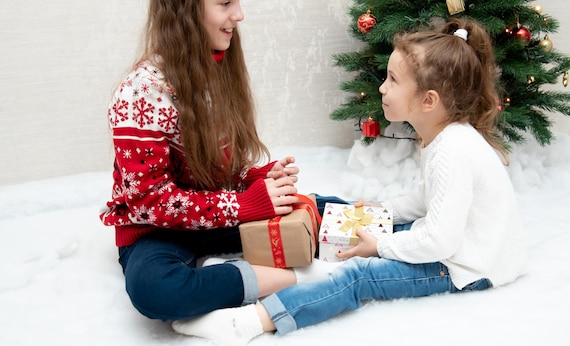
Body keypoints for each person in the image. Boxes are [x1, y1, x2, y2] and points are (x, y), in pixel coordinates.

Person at [171, 18, 527, 344]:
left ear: (428, 100)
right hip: (457, 246)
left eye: (394, 80)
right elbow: (425, 200)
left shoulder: (453, 149)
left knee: (361, 275)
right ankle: (260, 270)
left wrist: (381, 247)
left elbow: (439, 242)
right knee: (361, 225)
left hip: (466, 267)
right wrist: (381, 211)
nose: (383, 88)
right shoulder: (442, 136)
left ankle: (249, 323)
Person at [102, 0, 327, 323]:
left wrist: (256, 180)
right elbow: (149, 203)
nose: (238, 14)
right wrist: (245, 205)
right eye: (225, 3)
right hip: (155, 233)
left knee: (318, 206)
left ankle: (406, 231)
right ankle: (287, 280)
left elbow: (213, 169)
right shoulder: (140, 93)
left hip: (214, 215)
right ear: (185, 9)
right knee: (156, 290)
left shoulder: (216, 68)